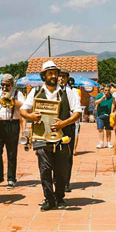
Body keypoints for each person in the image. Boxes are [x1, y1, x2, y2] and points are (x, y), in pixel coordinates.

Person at [20, 61, 82, 211]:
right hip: (42, 136)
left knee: (61, 169)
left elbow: (78, 113)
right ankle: (49, 198)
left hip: (62, 136)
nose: (54, 76)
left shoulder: (69, 93)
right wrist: (31, 115)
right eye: (50, 73)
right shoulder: (35, 93)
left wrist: (63, 123)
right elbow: (23, 110)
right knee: (45, 169)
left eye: (55, 73)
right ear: (44, 76)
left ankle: (59, 197)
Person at [0, 73, 25, 189]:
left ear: (11, 85)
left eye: (7, 85)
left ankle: (11, 178)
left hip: (12, 123)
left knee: (11, 153)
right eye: (2, 85)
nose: (4, 87)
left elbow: (24, 106)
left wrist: (12, 100)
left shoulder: (17, 93)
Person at [58, 69, 80, 192]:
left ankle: (66, 182)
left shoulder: (72, 92)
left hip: (67, 127)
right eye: (59, 76)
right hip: (54, 127)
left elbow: (77, 111)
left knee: (67, 155)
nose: (61, 79)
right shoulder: (53, 91)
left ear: (67, 78)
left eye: (63, 77)